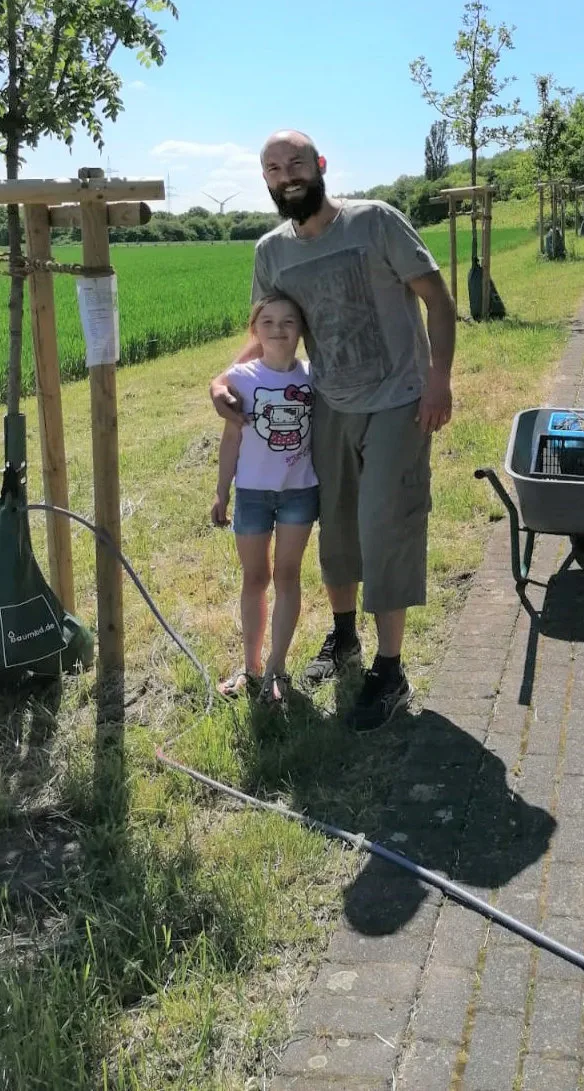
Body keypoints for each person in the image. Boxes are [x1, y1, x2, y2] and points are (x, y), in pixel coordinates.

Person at [210, 129, 456, 732]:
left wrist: (439, 379)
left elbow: (438, 299)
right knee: (338, 526)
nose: (286, 173)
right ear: (265, 179)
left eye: (296, 161)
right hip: (328, 403)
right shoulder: (272, 251)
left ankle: (390, 669)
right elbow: (267, 326)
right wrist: (228, 376)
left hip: (399, 400)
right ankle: (344, 638)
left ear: (319, 165)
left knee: (385, 525)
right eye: (273, 167)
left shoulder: (376, 222)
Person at [211, 292, 318, 711]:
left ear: (302, 330)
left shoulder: (313, 376)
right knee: (255, 578)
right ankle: (250, 667)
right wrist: (222, 490)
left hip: (300, 493)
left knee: (288, 576)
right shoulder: (241, 378)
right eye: (268, 322)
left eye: (288, 322)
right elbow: (231, 437)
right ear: (254, 331)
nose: (278, 330)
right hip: (252, 494)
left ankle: (276, 667)